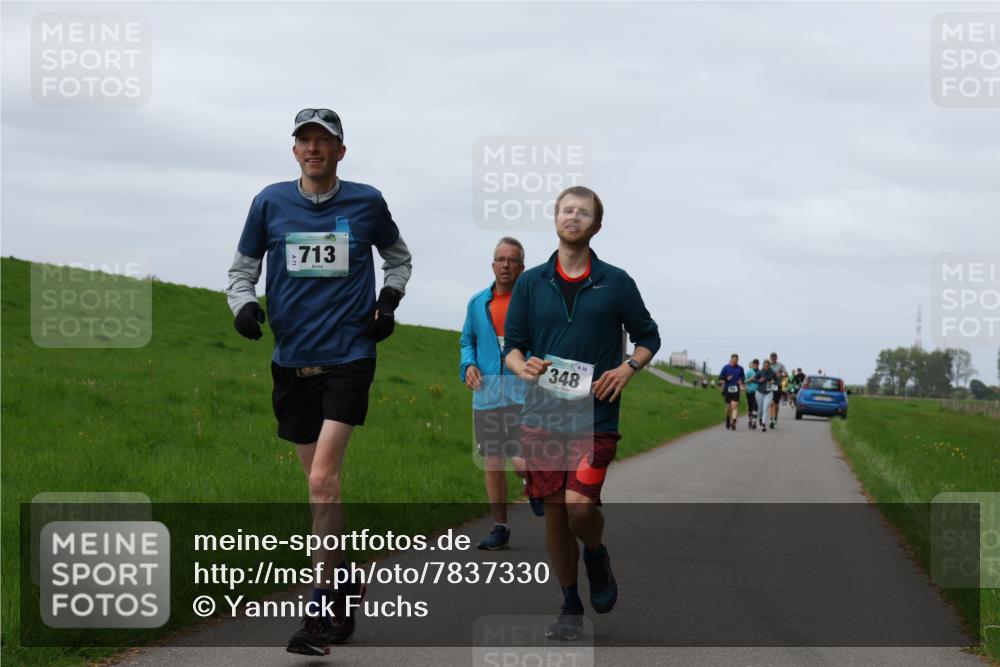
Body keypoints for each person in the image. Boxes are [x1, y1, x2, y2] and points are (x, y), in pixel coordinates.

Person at [226, 108, 413, 656]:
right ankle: (345, 575)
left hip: (349, 356)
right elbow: (242, 270)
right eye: (305, 140)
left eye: (324, 141)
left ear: (339, 151)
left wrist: (388, 299)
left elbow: (398, 259)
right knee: (320, 492)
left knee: (322, 482)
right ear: (294, 151)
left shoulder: (367, 202)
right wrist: (243, 306)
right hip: (291, 362)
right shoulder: (269, 203)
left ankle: (320, 613)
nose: (314, 148)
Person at [504, 186, 660, 641]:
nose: (573, 217)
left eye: (583, 212)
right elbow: (513, 347)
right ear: (555, 219)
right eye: (566, 210)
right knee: (555, 514)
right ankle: (570, 603)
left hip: (596, 418)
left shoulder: (616, 281)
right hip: (544, 417)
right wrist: (523, 365)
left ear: (596, 225)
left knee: (579, 508)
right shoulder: (532, 282)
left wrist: (628, 368)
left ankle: (595, 551)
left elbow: (649, 337)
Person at [460, 237, 539, 551]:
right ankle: (500, 527)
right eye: (500, 259)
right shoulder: (478, 303)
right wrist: (468, 365)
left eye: (512, 260)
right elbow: (467, 340)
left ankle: (533, 483)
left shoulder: (533, 303)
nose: (505, 265)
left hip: (525, 392)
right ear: (492, 264)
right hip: (488, 395)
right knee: (493, 463)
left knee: (520, 461)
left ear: (522, 266)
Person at [717, 354, 745, 430]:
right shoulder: (726, 368)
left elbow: (743, 378)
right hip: (727, 389)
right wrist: (726, 379)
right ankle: (728, 419)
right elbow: (720, 378)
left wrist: (741, 381)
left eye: (736, 360)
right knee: (728, 407)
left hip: (736, 390)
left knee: (734, 406)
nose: (735, 361)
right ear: (731, 359)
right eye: (733, 360)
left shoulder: (740, 369)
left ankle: (734, 422)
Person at [754, 359, 779, 432]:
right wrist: (759, 381)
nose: (766, 367)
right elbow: (754, 379)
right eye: (765, 366)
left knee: (765, 408)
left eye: (767, 366)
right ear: (763, 365)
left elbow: (777, 381)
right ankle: (761, 420)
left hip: (768, 393)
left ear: (769, 365)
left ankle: (763, 425)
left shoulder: (772, 372)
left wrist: (774, 382)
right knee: (760, 410)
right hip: (759, 392)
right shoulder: (760, 372)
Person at [768, 352, 787, 425]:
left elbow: (786, 374)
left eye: (774, 358)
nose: (773, 359)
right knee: (771, 403)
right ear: (770, 358)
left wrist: (781, 374)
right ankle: (771, 419)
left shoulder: (781, 365)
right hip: (769, 386)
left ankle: (775, 417)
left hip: (778, 386)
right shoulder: (768, 365)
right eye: (772, 358)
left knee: (776, 404)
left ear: (776, 358)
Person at [744, 358, 760, 429]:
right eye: (754, 364)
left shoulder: (760, 372)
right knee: (750, 407)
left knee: (755, 407)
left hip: (758, 392)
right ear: (753, 364)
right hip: (749, 392)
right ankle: (750, 420)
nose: (756, 365)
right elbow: (744, 381)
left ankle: (754, 422)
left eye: (757, 364)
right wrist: (750, 379)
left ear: (758, 364)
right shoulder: (749, 372)